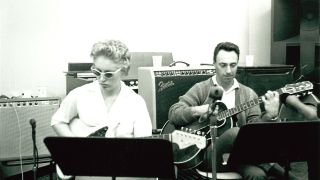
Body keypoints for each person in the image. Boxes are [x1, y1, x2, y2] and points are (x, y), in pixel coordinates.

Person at [168, 42, 299, 180]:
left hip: (239, 156)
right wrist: (199, 110)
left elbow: (255, 132)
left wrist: (270, 116)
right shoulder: (201, 89)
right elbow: (174, 114)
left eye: (233, 65)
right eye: (223, 65)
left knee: (257, 175)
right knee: (235, 133)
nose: (229, 71)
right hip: (206, 154)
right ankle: (288, 176)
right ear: (214, 64)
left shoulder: (248, 94)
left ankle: (276, 170)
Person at [51, 39, 152, 179]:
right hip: (84, 172)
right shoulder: (80, 94)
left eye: (109, 74)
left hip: (119, 170)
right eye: (97, 72)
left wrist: (128, 144)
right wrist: (76, 146)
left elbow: (144, 146)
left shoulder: (136, 102)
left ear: (123, 71)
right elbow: (57, 121)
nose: (101, 79)